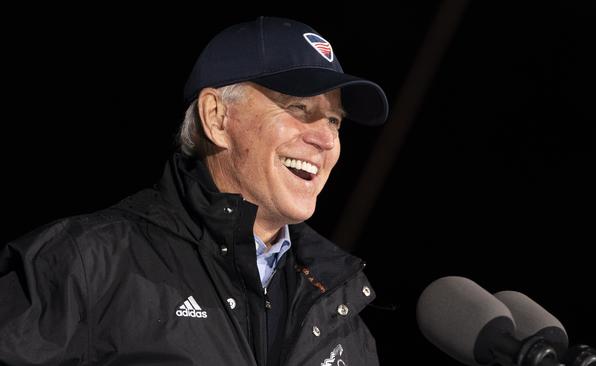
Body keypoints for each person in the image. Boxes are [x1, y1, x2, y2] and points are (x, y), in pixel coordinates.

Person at [0, 16, 388, 366]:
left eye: (334, 120)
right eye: (298, 108)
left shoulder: (342, 322)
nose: (325, 138)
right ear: (216, 117)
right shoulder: (84, 264)